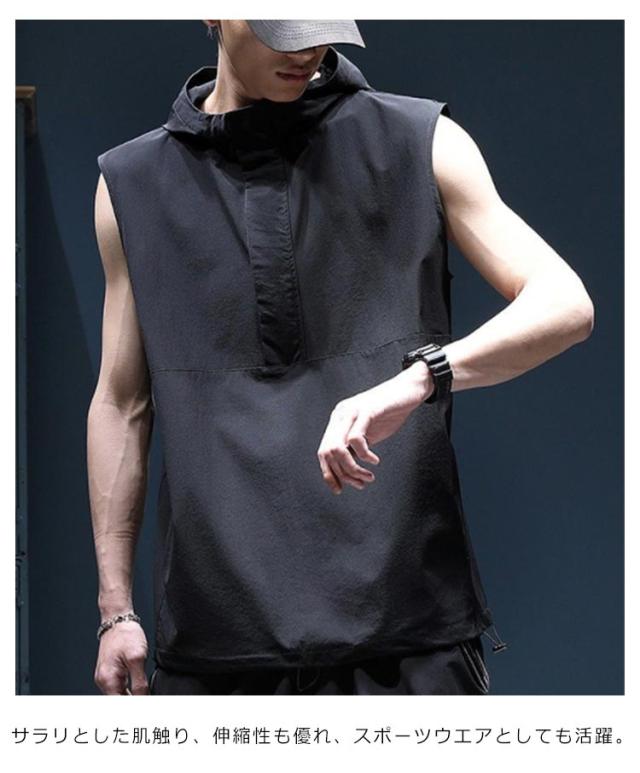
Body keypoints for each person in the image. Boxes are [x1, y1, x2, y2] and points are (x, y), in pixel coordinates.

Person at [87, 19, 594, 696]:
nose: (307, 49)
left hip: (409, 638)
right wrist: (114, 608)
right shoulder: (131, 184)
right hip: (216, 648)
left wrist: (421, 377)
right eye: (282, 27)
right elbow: (121, 402)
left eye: (320, 23)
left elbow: (565, 303)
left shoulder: (420, 140)